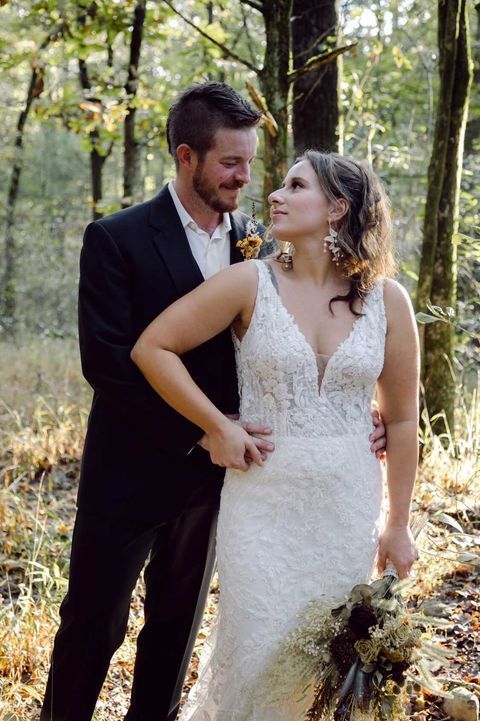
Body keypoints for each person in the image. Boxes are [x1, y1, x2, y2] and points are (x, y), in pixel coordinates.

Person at [40, 81, 386, 721]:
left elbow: (293, 334)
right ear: (186, 156)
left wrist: (341, 405)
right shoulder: (116, 239)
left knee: (173, 634)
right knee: (93, 627)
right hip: (129, 475)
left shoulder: (260, 241)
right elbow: (110, 366)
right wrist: (203, 430)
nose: (246, 177)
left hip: (218, 483)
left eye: (252, 162)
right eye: (232, 163)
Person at [131, 150, 420, 721]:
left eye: (295, 186)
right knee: (259, 649)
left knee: (326, 665)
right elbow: (152, 349)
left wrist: (399, 524)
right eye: (280, 185)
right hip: (261, 502)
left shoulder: (389, 300)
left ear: (337, 208)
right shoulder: (248, 281)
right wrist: (217, 425)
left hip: (345, 507)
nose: (275, 196)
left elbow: (404, 418)